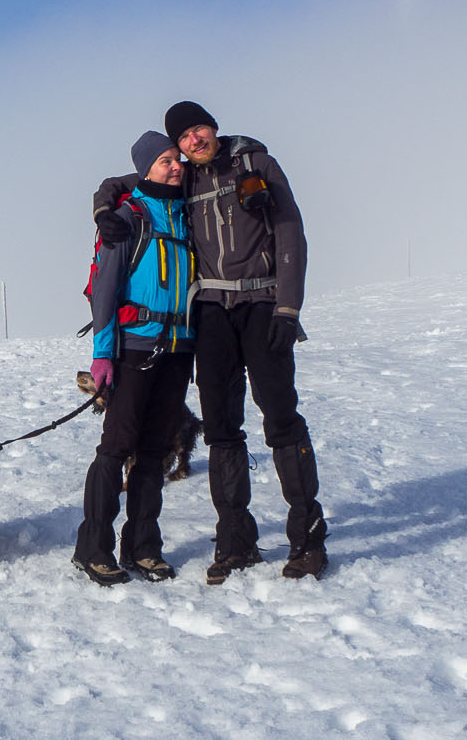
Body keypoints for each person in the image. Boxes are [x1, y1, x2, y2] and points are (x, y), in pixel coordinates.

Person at [160, 100, 326, 583]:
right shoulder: (184, 179)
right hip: (212, 312)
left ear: (213, 127)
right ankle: (236, 539)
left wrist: (288, 307)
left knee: (280, 417)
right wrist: (104, 200)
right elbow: (132, 183)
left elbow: (291, 232)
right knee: (220, 427)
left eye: (199, 129)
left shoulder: (255, 163)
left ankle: (307, 537)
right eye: (184, 137)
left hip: (263, 305)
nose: (194, 140)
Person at [72, 131, 198, 586]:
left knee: (154, 452)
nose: (175, 167)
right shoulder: (129, 217)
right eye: (165, 160)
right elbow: (105, 290)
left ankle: (143, 547)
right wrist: (103, 354)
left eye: (177, 160)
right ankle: (93, 547)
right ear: (146, 168)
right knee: (116, 450)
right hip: (135, 350)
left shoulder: (187, 217)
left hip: (178, 349)